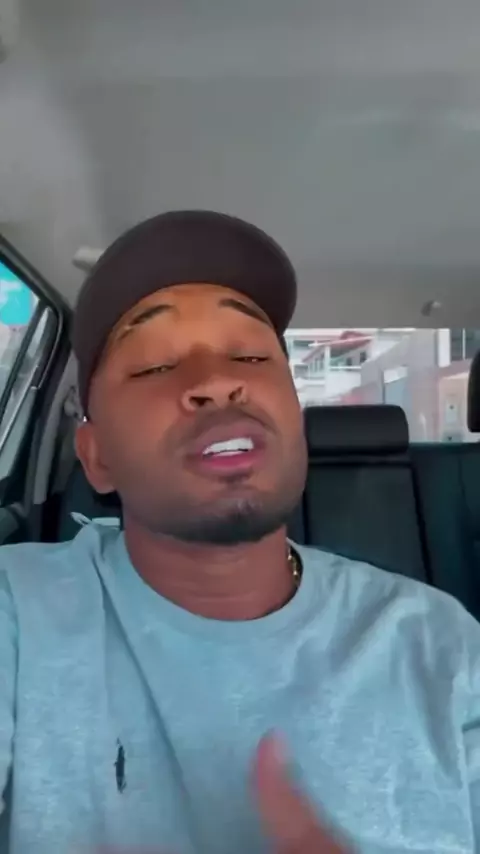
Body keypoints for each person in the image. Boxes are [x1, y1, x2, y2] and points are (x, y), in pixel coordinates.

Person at [0, 211, 478, 854]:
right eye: (153, 366)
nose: (218, 381)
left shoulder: (442, 647)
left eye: (252, 355)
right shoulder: (19, 614)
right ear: (96, 456)